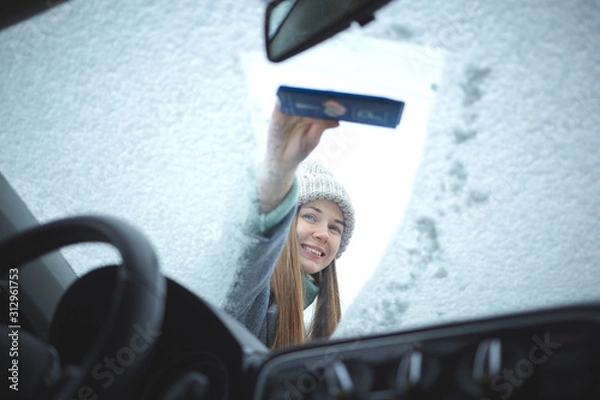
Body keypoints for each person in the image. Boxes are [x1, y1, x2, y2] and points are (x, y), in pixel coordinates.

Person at [223, 102, 355, 349]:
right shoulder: (252, 292)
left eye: (335, 228)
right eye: (310, 216)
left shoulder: (310, 339)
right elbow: (258, 236)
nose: (323, 234)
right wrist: (281, 168)